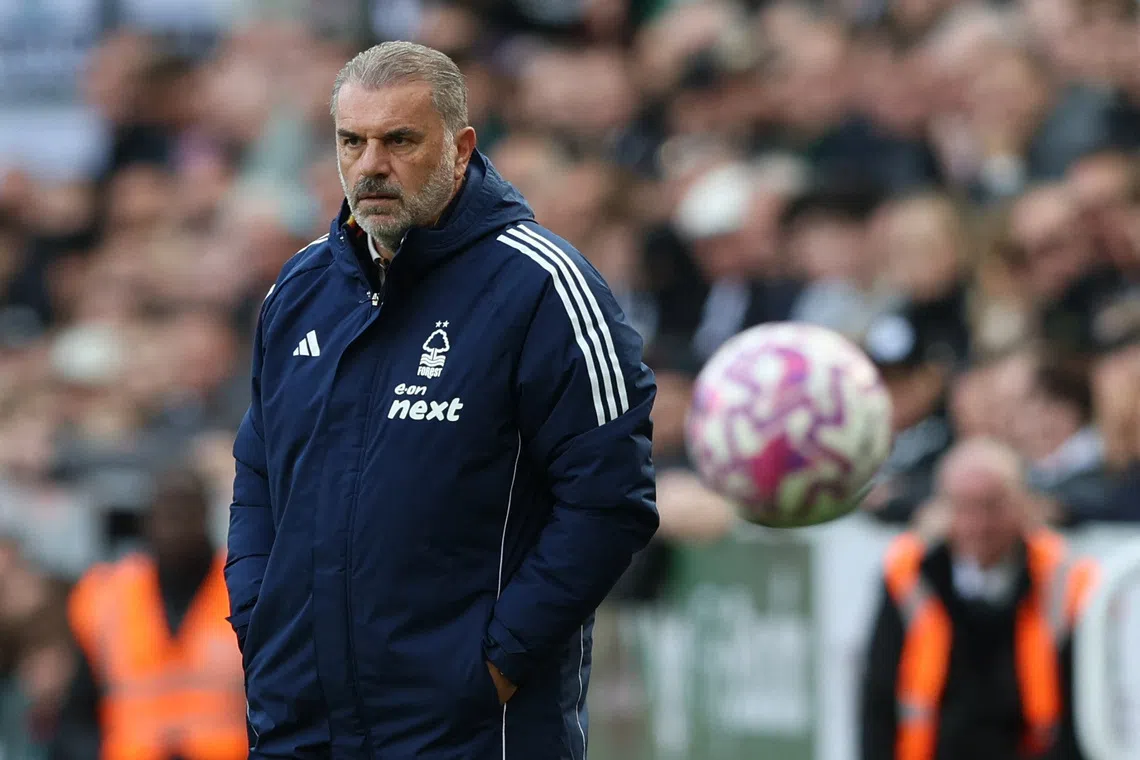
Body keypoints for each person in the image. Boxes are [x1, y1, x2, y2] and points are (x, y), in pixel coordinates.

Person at [224, 42, 658, 759]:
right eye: (351, 141)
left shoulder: (544, 288)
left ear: (459, 148)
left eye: (399, 140)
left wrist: (490, 667)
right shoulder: (298, 291)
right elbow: (260, 474)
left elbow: (611, 504)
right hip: (299, 724)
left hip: (466, 732)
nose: (370, 165)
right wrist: (261, 619)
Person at [861, 438, 1097, 760]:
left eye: (992, 505)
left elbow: (1081, 708)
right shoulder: (909, 575)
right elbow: (879, 701)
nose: (979, 525)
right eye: (965, 507)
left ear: (1021, 504)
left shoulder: (1064, 580)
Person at [51, 468, 246, 760]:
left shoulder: (243, 587)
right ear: (148, 519)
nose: (176, 522)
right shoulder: (108, 595)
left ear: (205, 515)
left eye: (185, 509)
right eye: (167, 510)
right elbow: (75, 718)